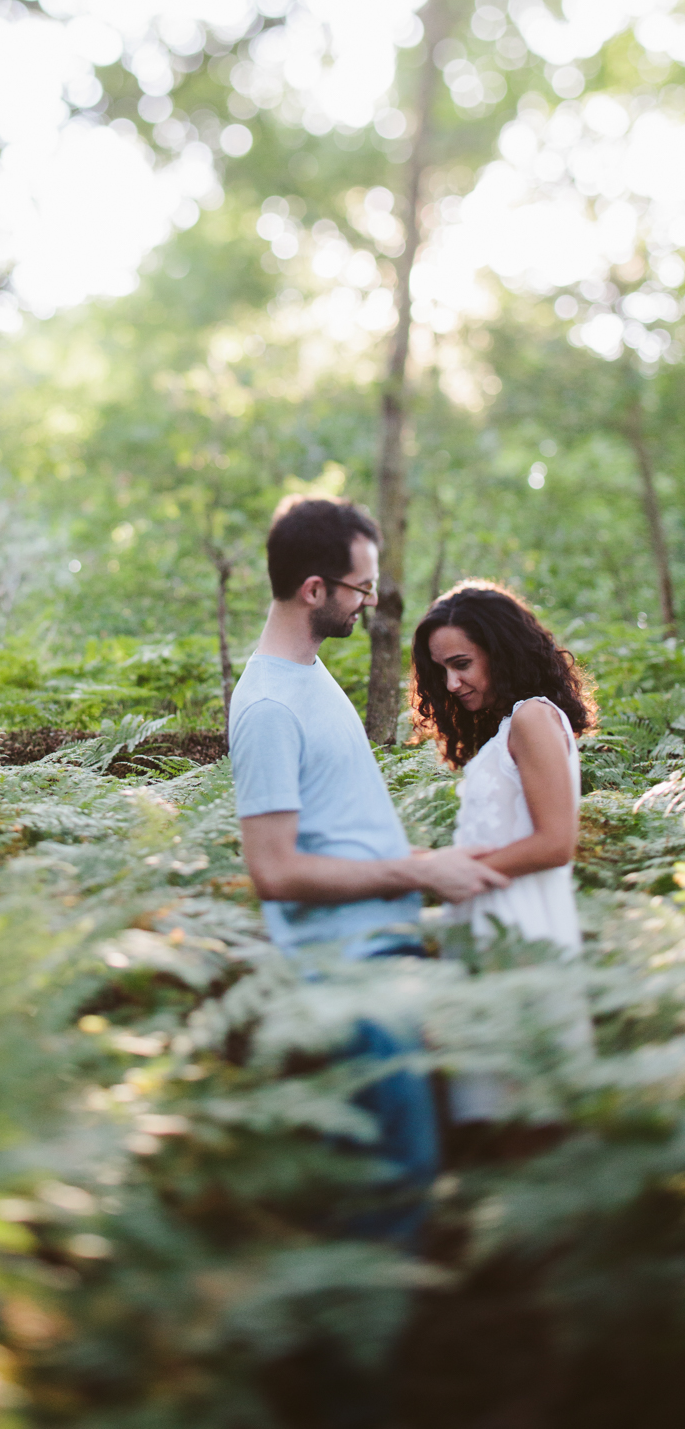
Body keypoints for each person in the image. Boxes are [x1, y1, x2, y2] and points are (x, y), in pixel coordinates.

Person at [228, 498, 510, 1234]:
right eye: (362, 589)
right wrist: (420, 875)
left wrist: (435, 862)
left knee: (415, 1173)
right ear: (315, 589)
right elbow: (277, 871)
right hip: (343, 979)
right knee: (392, 1187)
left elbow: (346, 841)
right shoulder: (266, 708)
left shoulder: (314, 681)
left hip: (383, 963)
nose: (371, 605)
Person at [410, 580, 595, 1123]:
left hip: (523, 938)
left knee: (526, 1121)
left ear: (502, 649)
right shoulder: (509, 728)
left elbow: (555, 843)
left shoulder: (534, 718)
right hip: (490, 932)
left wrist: (449, 871)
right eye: (442, 670)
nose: (452, 682)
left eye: (462, 663)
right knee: (494, 1123)